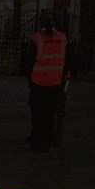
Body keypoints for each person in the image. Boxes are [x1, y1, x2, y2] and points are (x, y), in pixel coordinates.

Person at [22, 13, 70, 153]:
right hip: (55, 81)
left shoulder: (37, 38)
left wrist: (29, 77)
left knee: (37, 113)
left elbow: (29, 61)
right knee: (50, 114)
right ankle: (47, 142)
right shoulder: (63, 38)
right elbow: (68, 59)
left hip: (38, 81)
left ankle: (36, 142)